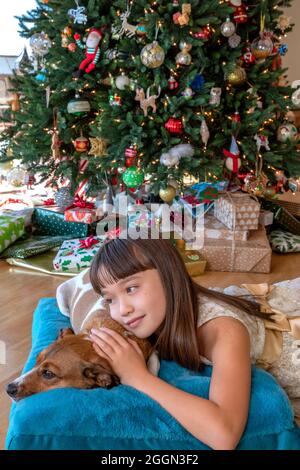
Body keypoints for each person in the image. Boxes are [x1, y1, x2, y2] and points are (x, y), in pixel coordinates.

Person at [88, 237, 299, 450]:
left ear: (170, 275)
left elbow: (224, 435)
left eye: (131, 288)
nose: (122, 309)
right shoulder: (158, 312)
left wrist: (137, 377)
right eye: (110, 299)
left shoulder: (224, 330)